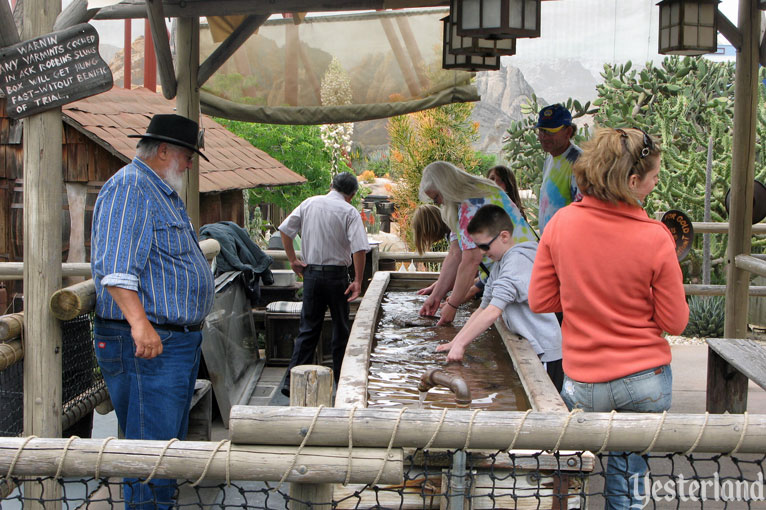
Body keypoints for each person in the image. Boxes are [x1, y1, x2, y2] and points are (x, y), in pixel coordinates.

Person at [528, 127, 689, 510]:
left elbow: (541, 299)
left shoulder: (560, 225)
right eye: (652, 179)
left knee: (581, 472)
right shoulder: (655, 236)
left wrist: (586, 294)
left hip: (582, 384)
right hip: (644, 382)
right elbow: (676, 321)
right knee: (627, 484)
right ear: (632, 181)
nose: (652, 186)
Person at [91, 114, 215, 509]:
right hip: (148, 346)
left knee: (164, 453)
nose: (191, 164)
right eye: (187, 155)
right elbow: (116, 269)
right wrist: (141, 326)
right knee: (148, 456)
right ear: (163, 151)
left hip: (171, 344)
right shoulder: (130, 189)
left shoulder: (159, 191)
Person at [436, 205, 563, 391]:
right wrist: (456, 341)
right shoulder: (500, 265)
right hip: (532, 346)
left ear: (504, 236)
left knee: (545, 404)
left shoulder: (516, 263)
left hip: (545, 351)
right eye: (478, 247)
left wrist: (462, 345)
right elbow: (483, 308)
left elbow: (494, 311)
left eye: (485, 246)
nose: (482, 253)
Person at [279, 172, 370, 397]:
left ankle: (293, 382)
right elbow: (359, 248)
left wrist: (292, 259)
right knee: (340, 328)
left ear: (331, 186)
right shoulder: (349, 211)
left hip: (311, 276)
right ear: (352, 195)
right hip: (337, 277)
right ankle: (341, 382)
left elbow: (285, 230)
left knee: (308, 329)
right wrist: (357, 280)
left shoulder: (309, 203)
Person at [417, 161, 535, 325]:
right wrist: (435, 296)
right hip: (506, 275)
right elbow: (454, 253)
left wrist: (452, 304)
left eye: (437, 197)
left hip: (524, 274)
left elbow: (471, 260)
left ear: (447, 187)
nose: (437, 203)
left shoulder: (472, 204)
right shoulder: (461, 204)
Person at [535, 104, 583, 234]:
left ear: (568, 132)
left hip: (566, 246)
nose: (544, 136)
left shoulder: (579, 163)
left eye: (550, 131)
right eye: (541, 130)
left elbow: (583, 215)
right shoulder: (550, 157)